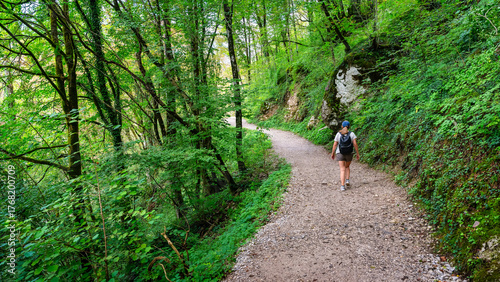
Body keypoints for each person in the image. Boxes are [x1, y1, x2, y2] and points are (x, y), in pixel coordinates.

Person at [331, 121, 360, 191]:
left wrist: (333, 153)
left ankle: (342, 186)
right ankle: (347, 180)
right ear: (349, 126)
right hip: (349, 153)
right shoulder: (352, 134)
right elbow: (355, 144)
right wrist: (357, 153)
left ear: (342, 126)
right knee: (347, 166)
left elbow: (335, 144)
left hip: (340, 153)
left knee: (342, 169)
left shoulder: (338, 134)